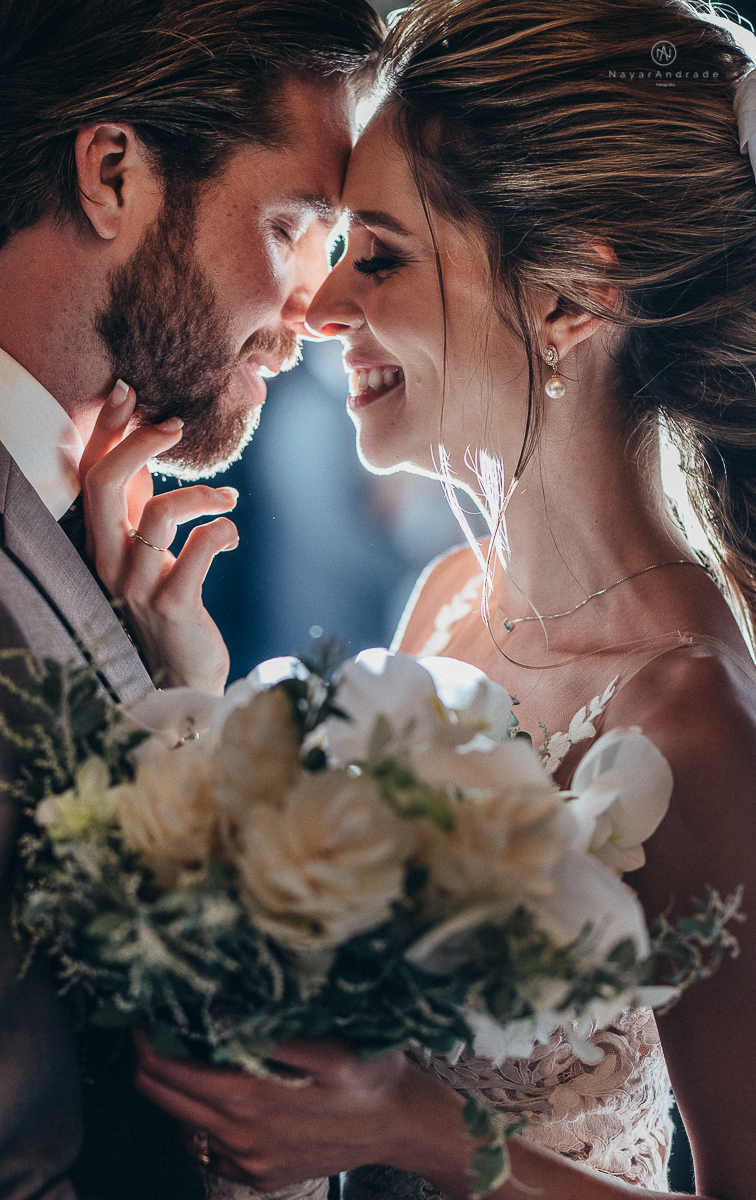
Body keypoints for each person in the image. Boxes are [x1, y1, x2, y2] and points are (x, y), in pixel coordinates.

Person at [100, 1, 756, 1197]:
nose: (319, 307)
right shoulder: (457, 597)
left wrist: (417, 1133)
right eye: (336, 244)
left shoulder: (697, 724)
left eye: (382, 256)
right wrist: (180, 692)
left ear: (568, 303)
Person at [0, 1, 383, 1197]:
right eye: (294, 227)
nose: (314, 314)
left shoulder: (3, 508)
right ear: (113, 173)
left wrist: (169, 698)